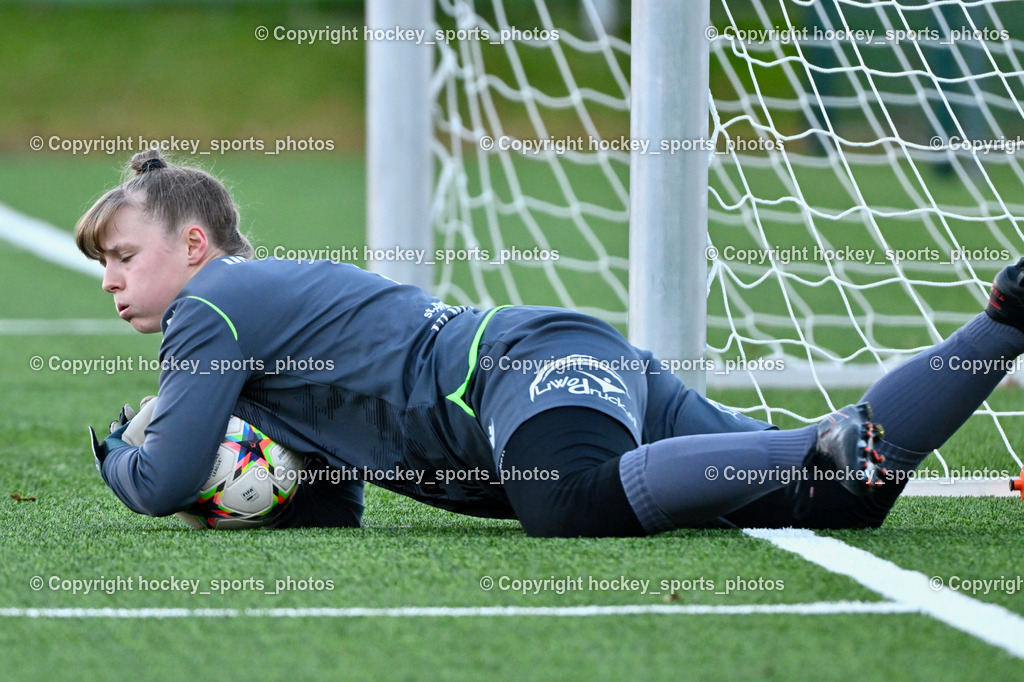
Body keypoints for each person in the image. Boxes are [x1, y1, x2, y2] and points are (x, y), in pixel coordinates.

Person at [80, 149, 1024, 536]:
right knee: (844, 498)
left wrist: (126, 457)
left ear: (193, 245)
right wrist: (266, 490)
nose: (114, 282)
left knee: (565, 502)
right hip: (556, 366)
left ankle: (816, 447)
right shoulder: (259, 315)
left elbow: (160, 484)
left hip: (521, 375)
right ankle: (1005, 321)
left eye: (123, 257)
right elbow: (339, 505)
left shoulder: (215, 311)